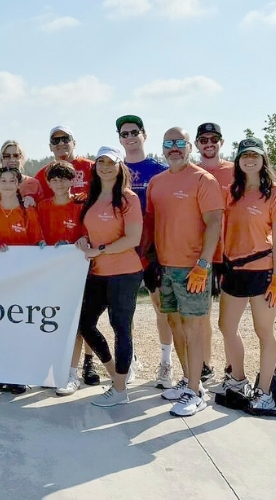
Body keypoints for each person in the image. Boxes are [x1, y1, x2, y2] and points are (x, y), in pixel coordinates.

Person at [143, 127, 223, 417]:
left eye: (180, 143)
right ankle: (189, 383)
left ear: (189, 147)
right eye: (169, 144)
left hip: (194, 269)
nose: (174, 148)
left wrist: (203, 264)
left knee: (193, 329)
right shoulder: (156, 182)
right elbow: (152, 224)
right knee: (175, 326)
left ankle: (196, 389)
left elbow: (214, 223)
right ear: (163, 149)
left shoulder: (204, 180)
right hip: (165, 267)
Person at [218, 137, 276, 410]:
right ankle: (238, 379)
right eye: (244, 155)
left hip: (263, 271)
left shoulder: (275, 193)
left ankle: (264, 392)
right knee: (226, 327)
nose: (249, 159)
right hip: (233, 270)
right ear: (238, 160)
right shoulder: (231, 192)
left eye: (255, 155)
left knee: (264, 332)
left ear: (263, 160)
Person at [74, 147, 144, 406]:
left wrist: (99, 249)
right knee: (85, 323)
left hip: (124, 272)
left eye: (110, 162)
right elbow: (89, 230)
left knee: (120, 328)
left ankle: (119, 391)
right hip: (99, 272)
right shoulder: (91, 198)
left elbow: (132, 238)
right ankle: (116, 376)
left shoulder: (128, 199)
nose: (105, 166)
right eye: (100, 162)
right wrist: (84, 239)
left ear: (119, 167)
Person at [116, 115, 175, 390]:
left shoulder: (160, 170)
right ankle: (129, 360)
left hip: (153, 249)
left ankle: (166, 363)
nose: (130, 137)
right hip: (125, 248)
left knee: (160, 307)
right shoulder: (114, 169)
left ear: (144, 135)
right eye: (124, 134)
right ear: (120, 139)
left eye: (134, 132)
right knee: (123, 310)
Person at [0, 166, 45, 395]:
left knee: (21, 326)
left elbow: (38, 242)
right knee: (1, 326)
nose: (7, 184)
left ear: (18, 184)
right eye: (3, 180)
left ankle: (20, 374)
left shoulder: (27, 211)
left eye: (12, 180)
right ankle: (2, 373)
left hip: (24, 279)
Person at [36, 160, 87, 396]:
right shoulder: (42, 206)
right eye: (54, 179)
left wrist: (82, 240)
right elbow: (36, 236)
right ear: (48, 182)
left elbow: (88, 234)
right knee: (50, 321)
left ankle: (72, 373)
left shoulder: (81, 204)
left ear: (72, 180)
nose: (59, 183)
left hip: (75, 273)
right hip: (50, 274)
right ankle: (50, 370)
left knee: (74, 324)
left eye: (63, 179)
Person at [195, 122, 235, 381]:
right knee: (203, 316)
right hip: (203, 254)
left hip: (232, 252)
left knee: (229, 320)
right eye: (204, 139)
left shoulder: (236, 170)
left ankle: (233, 369)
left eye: (214, 139)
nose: (209, 143)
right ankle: (205, 367)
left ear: (221, 142)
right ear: (197, 144)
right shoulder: (191, 172)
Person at [35, 125, 93, 200]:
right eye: (55, 141)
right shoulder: (42, 175)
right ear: (50, 147)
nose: (61, 143)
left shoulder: (91, 167)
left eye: (65, 139)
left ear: (74, 143)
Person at [0, 141, 44, 207]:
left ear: (21, 158)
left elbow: (42, 211)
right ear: (1, 159)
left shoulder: (33, 183)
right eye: (7, 156)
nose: (12, 159)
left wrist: (33, 204)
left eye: (16, 156)